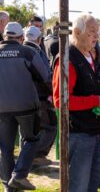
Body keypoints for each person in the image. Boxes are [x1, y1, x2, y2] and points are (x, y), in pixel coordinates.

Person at [52, 14, 100, 192]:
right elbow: (61, 101)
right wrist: (98, 100)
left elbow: (88, 83)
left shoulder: (87, 54)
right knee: (78, 184)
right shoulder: (67, 59)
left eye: (97, 32)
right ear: (77, 32)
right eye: (92, 32)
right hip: (79, 132)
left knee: (92, 180)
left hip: (93, 129)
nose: (97, 36)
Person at [0, 22, 49, 191]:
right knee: (31, 139)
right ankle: (19, 175)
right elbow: (45, 76)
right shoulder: (28, 52)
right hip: (27, 107)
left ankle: (8, 187)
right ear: (21, 38)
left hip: (1, 109)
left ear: (5, 36)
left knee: (5, 148)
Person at [23, 26, 56, 166]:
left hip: (23, 98)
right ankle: (37, 156)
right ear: (39, 39)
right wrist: (53, 92)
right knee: (51, 126)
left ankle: (28, 160)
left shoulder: (20, 50)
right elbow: (45, 76)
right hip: (40, 96)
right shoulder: (35, 52)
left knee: (28, 131)